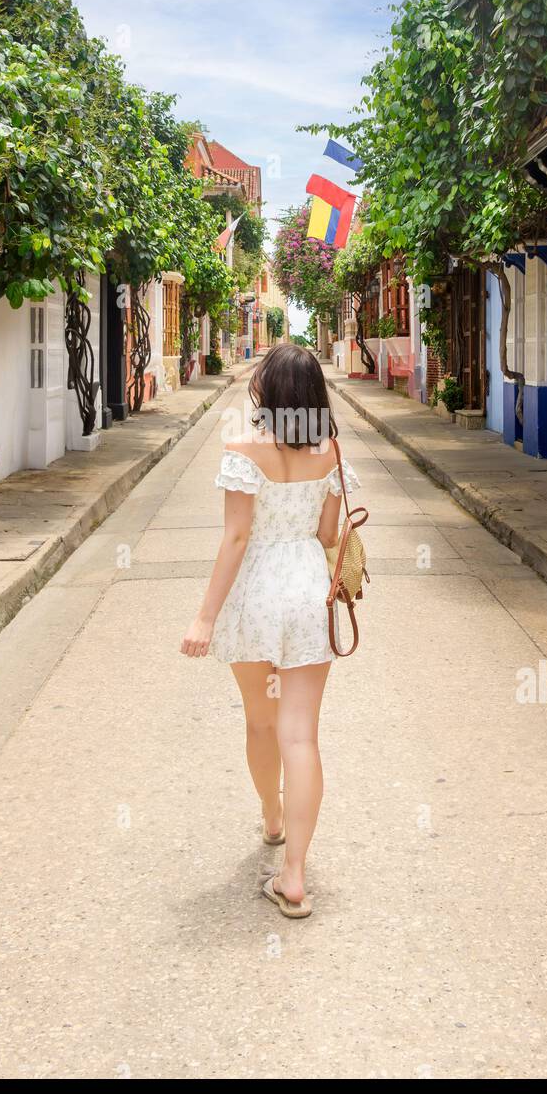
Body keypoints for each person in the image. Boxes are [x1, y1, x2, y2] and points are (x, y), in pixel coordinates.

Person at [180, 345, 360, 919]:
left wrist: (205, 617)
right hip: (309, 592)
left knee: (261, 720)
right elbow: (329, 533)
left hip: (256, 594)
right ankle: (296, 877)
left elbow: (236, 538)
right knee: (301, 735)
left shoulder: (243, 450)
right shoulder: (329, 452)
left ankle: (272, 817)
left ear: (267, 392)